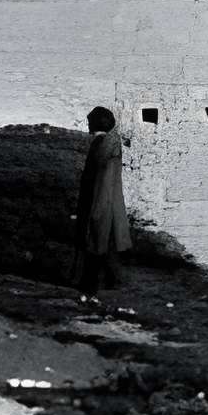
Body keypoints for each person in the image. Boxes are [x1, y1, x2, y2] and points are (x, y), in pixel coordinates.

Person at [72, 105, 131, 294]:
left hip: (100, 200)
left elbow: (101, 178)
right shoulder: (110, 142)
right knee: (105, 244)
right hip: (108, 200)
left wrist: (95, 208)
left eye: (90, 121)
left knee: (96, 243)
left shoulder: (102, 144)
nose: (88, 124)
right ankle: (109, 282)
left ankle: (90, 285)